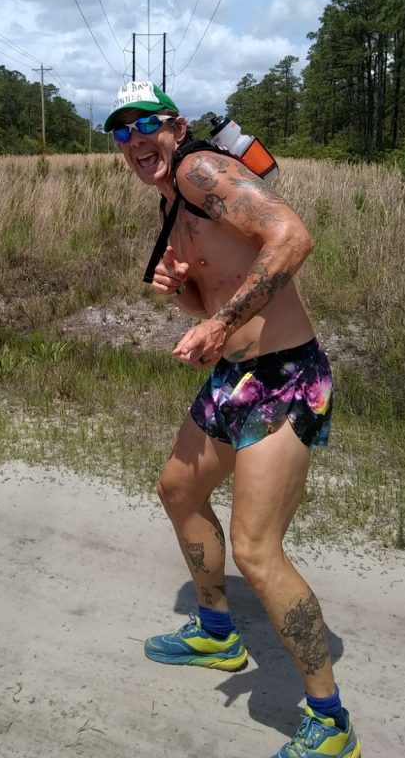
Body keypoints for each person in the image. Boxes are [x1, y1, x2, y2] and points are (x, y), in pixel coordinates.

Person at [104, 81, 361, 758]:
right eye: (120, 133)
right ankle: (216, 632)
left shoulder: (201, 170)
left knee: (257, 548)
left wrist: (219, 320)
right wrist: (186, 293)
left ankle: (331, 724)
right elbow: (212, 294)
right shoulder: (173, 202)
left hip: (285, 378)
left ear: (176, 126)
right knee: (179, 490)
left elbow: (292, 238)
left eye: (146, 125)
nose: (134, 142)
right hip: (234, 378)